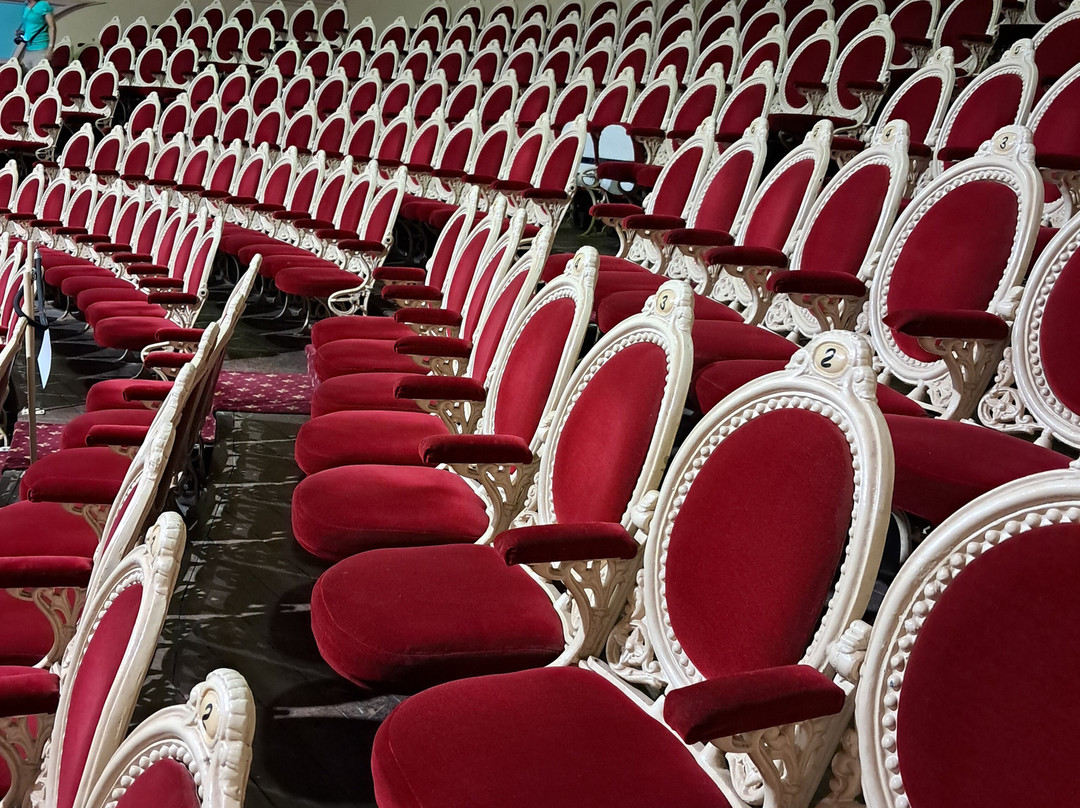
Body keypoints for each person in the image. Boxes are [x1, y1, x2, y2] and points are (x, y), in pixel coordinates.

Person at [13, 0, 55, 69]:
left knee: (38, 76)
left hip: (41, 47)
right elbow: (31, 26)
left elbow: (52, 27)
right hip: (28, 49)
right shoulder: (26, 6)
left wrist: (50, 48)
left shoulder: (43, 5)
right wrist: (22, 32)